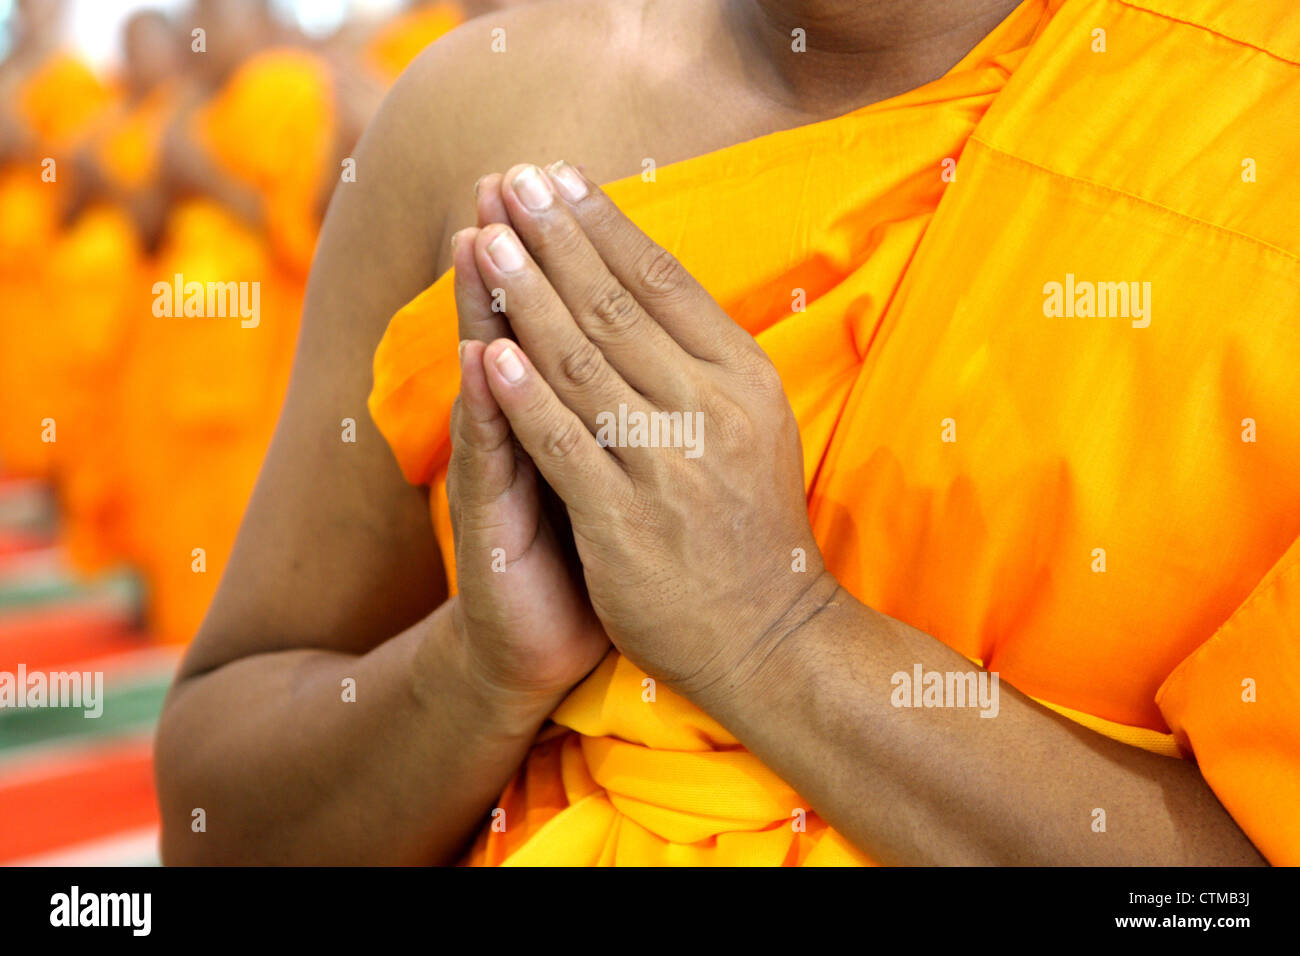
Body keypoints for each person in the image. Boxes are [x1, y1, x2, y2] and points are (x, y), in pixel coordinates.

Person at [156, 0, 1299, 864]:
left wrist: (776, 639)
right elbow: (220, 823)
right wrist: (480, 671)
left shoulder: (1252, 119)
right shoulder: (474, 115)